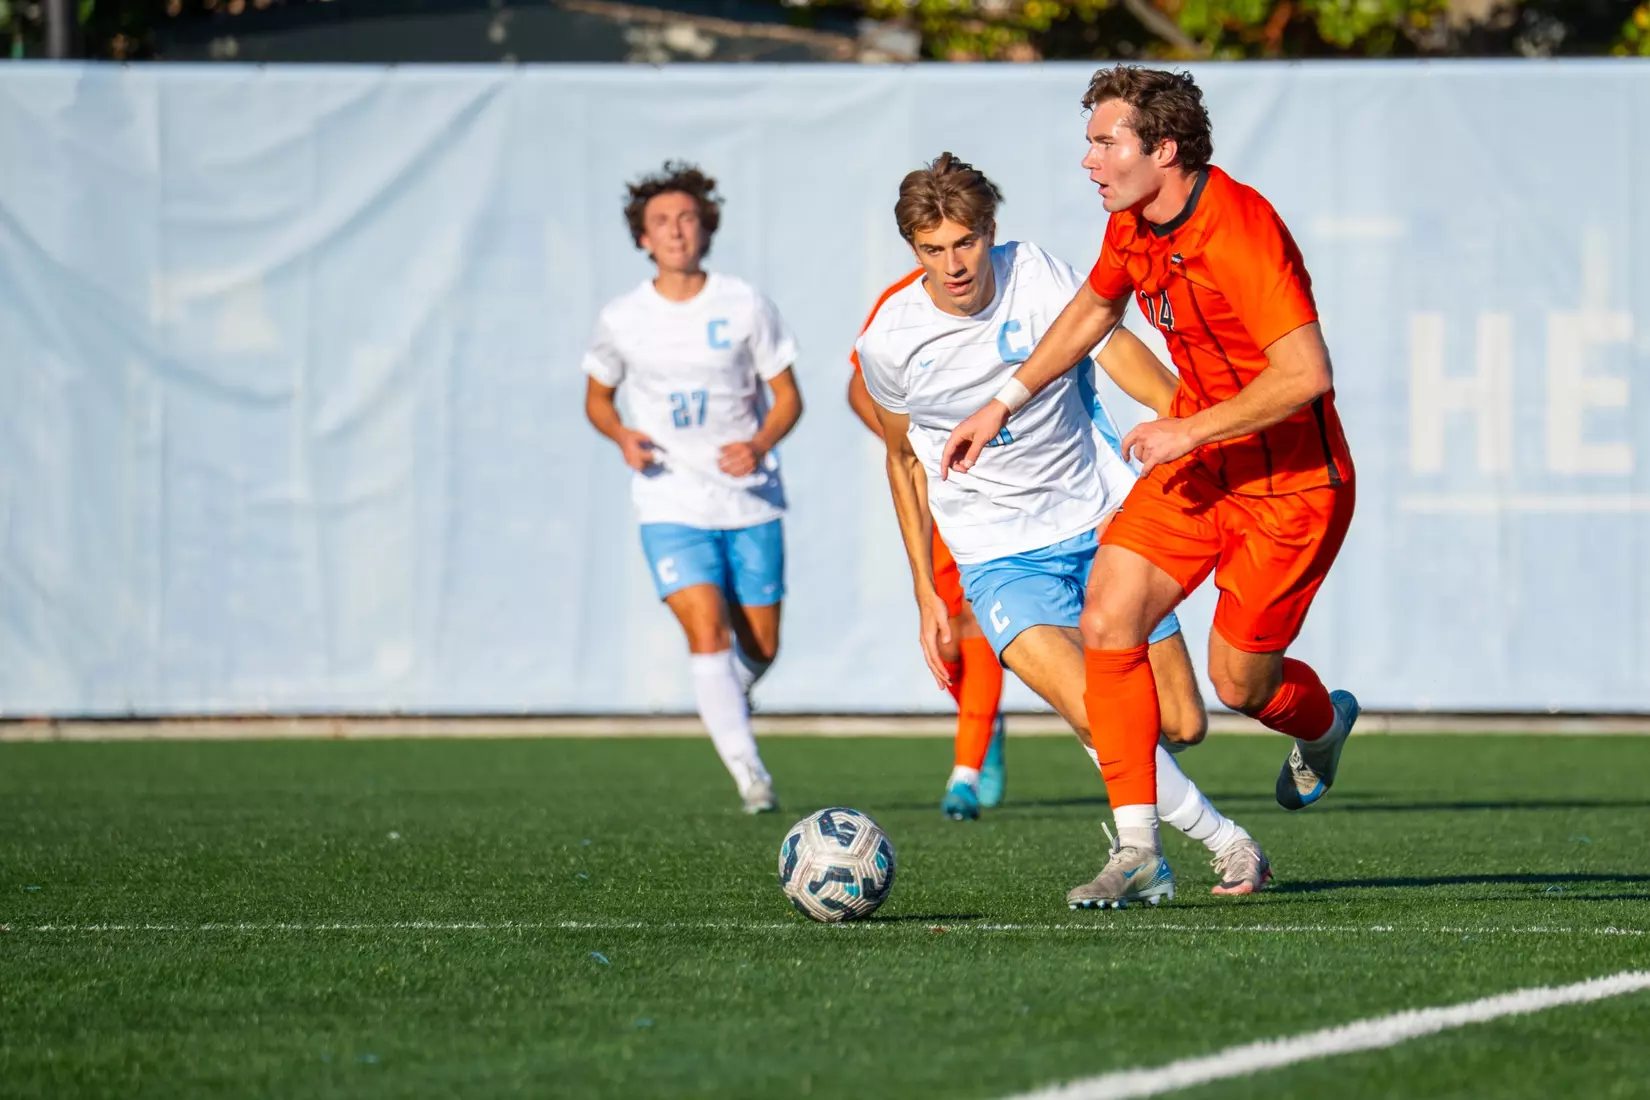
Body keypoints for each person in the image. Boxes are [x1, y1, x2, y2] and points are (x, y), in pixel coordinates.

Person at [943, 66, 1358, 909]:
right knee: (1109, 614)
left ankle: (1322, 723)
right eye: (1089, 142)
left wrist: (1186, 427)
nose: (1089, 160)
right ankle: (1139, 850)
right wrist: (1002, 402)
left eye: (1106, 143)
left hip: (1292, 488)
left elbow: (1307, 373)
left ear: (1162, 149)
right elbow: (1095, 311)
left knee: (1240, 685)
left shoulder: (1240, 231)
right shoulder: (1133, 224)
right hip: (1204, 471)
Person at [857, 152, 1270, 900]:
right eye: (933, 250)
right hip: (997, 554)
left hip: (1103, 520)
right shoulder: (891, 341)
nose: (953, 265)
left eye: (966, 242)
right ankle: (1223, 845)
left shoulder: (1037, 275)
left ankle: (1168, 841)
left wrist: (1196, 422)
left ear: (990, 231)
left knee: (1180, 723)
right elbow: (904, 462)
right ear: (912, 250)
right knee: (1097, 710)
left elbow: (1118, 351)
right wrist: (926, 593)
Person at [583, 161, 804, 814]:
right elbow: (597, 399)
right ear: (642, 238)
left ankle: (729, 698)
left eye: (686, 218)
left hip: (749, 498)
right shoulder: (622, 317)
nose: (675, 231)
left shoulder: (743, 303)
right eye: (661, 222)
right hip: (669, 498)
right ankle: (749, 774)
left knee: (760, 647)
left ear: (705, 226)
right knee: (704, 630)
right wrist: (623, 435)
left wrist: (759, 443)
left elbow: (788, 397)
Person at [848, 285, 1007, 821]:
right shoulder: (897, 309)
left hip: (1003, 489)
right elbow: (858, 389)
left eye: (967, 235)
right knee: (947, 635)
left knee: (975, 620)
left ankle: (965, 770)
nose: (954, 260)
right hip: (937, 488)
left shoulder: (1019, 288)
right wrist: (917, 445)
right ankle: (981, 720)